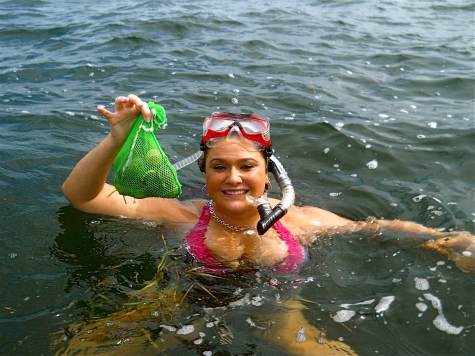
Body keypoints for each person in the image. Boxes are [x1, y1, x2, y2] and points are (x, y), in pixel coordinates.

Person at [62, 94, 474, 354]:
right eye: (219, 167)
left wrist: (445, 240)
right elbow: (84, 197)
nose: (234, 178)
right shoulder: (184, 215)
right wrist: (115, 139)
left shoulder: (299, 220)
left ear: (268, 172)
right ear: (204, 172)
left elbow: (372, 226)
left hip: (277, 312)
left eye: (246, 166)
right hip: (178, 304)